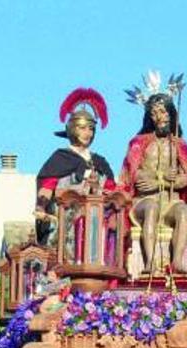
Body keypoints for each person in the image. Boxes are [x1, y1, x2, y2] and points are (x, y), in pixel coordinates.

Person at [120, 92, 187, 277]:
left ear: (172, 114)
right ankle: (149, 262)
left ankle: (177, 262)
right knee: (151, 208)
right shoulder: (139, 143)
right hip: (144, 202)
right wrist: (162, 180)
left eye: (164, 112)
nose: (160, 117)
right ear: (150, 117)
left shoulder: (180, 145)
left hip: (170, 202)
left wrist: (173, 180)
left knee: (183, 211)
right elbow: (137, 178)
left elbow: (186, 179)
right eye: (156, 113)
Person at [35, 88, 116, 247]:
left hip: (96, 220)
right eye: (82, 128)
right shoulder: (59, 158)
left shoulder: (100, 162)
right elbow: (46, 188)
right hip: (67, 220)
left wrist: (98, 188)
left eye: (91, 128)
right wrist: (41, 205)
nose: (88, 133)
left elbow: (112, 191)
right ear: (72, 129)